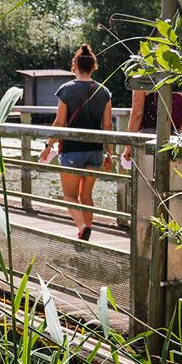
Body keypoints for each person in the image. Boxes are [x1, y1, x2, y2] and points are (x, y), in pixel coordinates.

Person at [39, 44, 113, 241]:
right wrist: (110, 153)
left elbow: (60, 122)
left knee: (70, 196)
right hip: (95, 150)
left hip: (71, 150)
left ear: (75, 66)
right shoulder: (104, 91)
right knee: (86, 196)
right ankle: (87, 233)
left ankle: (81, 227)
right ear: (93, 67)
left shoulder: (66, 90)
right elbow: (107, 125)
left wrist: (48, 147)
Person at [121, 89, 182, 164]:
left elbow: (137, 113)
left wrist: (128, 145)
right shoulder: (180, 78)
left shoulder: (142, 79)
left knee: (148, 175)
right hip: (175, 141)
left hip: (148, 139)